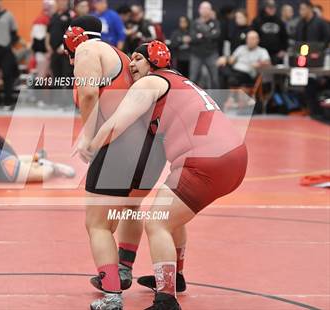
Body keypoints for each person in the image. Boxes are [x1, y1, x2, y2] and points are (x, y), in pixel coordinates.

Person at [86, 40, 248, 309]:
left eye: (137, 59)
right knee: (170, 216)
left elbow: (117, 123)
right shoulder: (181, 81)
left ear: (152, 63)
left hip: (204, 162)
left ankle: (166, 299)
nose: (132, 65)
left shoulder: (150, 83)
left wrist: (90, 146)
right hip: (234, 157)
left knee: (156, 221)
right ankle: (178, 275)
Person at [64, 15, 166, 309]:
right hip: (150, 147)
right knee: (132, 206)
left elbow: (87, 94)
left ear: (73, 40)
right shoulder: (120, 55)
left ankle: (112, 294)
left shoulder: (86, 49)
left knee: (97, 225)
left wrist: (89, 135)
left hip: (119, 144)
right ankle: (124, 268)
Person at [189, 1, 221, 88]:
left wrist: (201, 35)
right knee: (193, 78)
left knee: (215, 78)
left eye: (207, 9)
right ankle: (191, 100)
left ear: (211, 10)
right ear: (199, 10)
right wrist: (208, 33)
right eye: (203, 8)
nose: (205, 10)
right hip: (196, 54)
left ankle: (216, 100)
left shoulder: (215, 22)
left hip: (211, 54)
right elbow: (192, 38)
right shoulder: (194, 23)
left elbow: (216, 35)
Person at [252, 0, 288, 65]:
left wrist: (283, 50)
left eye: (274, 7)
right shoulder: (257, 20)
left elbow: (284, 37)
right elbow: (253, 36)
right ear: (265, 8)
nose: (272, 9)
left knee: (277, 73)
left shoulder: (279, 21)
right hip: (260, 54)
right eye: (270, 7)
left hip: (276, 55)